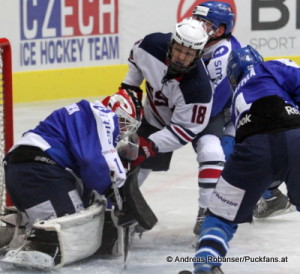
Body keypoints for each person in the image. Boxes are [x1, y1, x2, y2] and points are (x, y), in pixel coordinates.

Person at [0, 89, 143, 269]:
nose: (122, 129)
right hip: (40, 172)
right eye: (123, 121)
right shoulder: (104, 116)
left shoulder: (85, 115)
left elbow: (87, 167)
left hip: (27, 169)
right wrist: (115, 196)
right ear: (113, 111)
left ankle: (17, 230)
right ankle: (32, 245)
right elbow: (95, 163)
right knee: (74, 232)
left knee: (76, 217)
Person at [193, 45, 300, 274]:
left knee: (219, 216)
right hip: (296, 137)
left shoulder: (236, 100)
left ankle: (206, 264)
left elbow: (247, 154)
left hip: (254, 149)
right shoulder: (275, 65)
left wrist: (267, 185)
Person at [191, 1, 291, 236]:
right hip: (235, 110)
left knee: (230, 155)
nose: (196, 25)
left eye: (204, 23)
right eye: (196, 19)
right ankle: (271, 194)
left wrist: (187, 124)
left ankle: (215, 214)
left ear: (220, 29)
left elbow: (214, 102)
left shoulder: (224, 54)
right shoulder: (204, 45)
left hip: (241, 110)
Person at [119, 18, 213, 192]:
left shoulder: (198, 89)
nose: (181, 58)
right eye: (178, 50)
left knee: (210, 153)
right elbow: (136, 60)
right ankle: (119, 198)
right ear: (171, 44)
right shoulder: (151, 46)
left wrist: (149, 145)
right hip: (151, 114)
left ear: (198, 55)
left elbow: (184, 130)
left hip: (181, 125)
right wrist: (131, 90)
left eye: (188, 54)